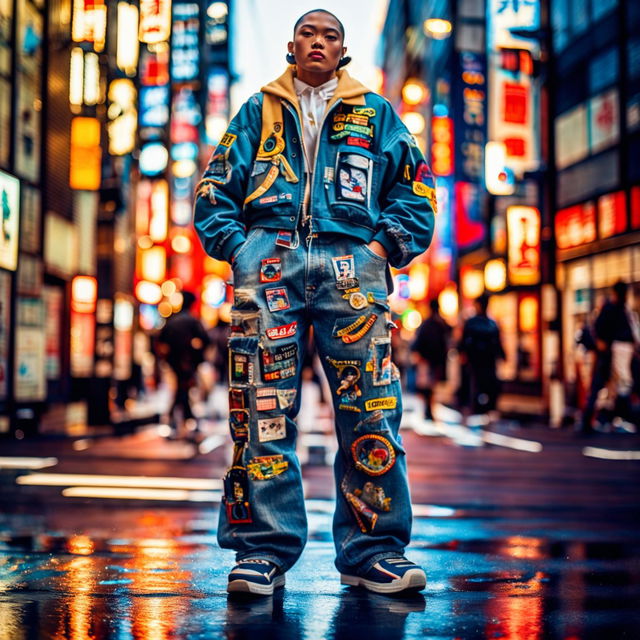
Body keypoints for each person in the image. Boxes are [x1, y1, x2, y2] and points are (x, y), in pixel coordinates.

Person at [194, 9, 435, 596]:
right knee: (260, 412)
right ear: (291, 45)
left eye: (330, 35)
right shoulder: (257, 110)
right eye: (309, 32)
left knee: (372, 410)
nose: (319, 42)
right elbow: (213, 187)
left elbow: (418, 187)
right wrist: (242, 249)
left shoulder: (375, 113)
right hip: (268, 263)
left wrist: (383, 248)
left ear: (343, 50)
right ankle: (261, 552)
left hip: (352, 265)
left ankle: (373, 550)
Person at [581, 281, 639, 433]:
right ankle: (602, 419)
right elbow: (599, 330)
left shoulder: (619, 309)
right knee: (620, 384)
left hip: (614, 353)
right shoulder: (615, 309)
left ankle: (601, 419)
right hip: (613, 353)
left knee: (612, 386)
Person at [157, 290, 210, 437]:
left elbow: (161, 342)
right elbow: (206, 340)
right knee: (183, 389)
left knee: (182, 389)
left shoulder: (172, 321)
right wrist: (195, 351)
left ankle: (179, 419)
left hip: (174, 362)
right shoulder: (192, 321)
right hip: (188, 362)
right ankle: (183, 418)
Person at [457, 294, 505, 424]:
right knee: (487, 385)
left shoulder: (473, 323)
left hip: (477, 360)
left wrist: (463, 353)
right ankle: (485, 409)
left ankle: (477, 408)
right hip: (486, 360)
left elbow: (463, 342)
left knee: (477, 384)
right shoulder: (491, 324)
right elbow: (498, 342)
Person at [411, 299, 451, 421]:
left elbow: (418, 342)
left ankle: (428, 410)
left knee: (427, 386)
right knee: (432, 386)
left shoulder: (427, 324)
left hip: (426, 360)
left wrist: (417, 354)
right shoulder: (442, 324)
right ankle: (430, 410)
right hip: (437, 360)